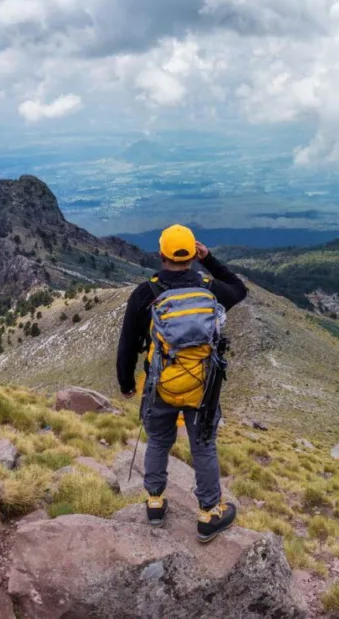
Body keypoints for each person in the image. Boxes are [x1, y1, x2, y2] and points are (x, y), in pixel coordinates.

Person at [116, 224, 248, 542]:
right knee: (202, 446)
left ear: (161, 253)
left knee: (159, 441)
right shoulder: (209, 288)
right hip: (202, 387)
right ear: (193, 253)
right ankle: (208, 514)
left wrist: (126, 384)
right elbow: (239, 289)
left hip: (160, 384)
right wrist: (211, 260)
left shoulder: (146, 293)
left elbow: (126, 344)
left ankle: (156, 503)